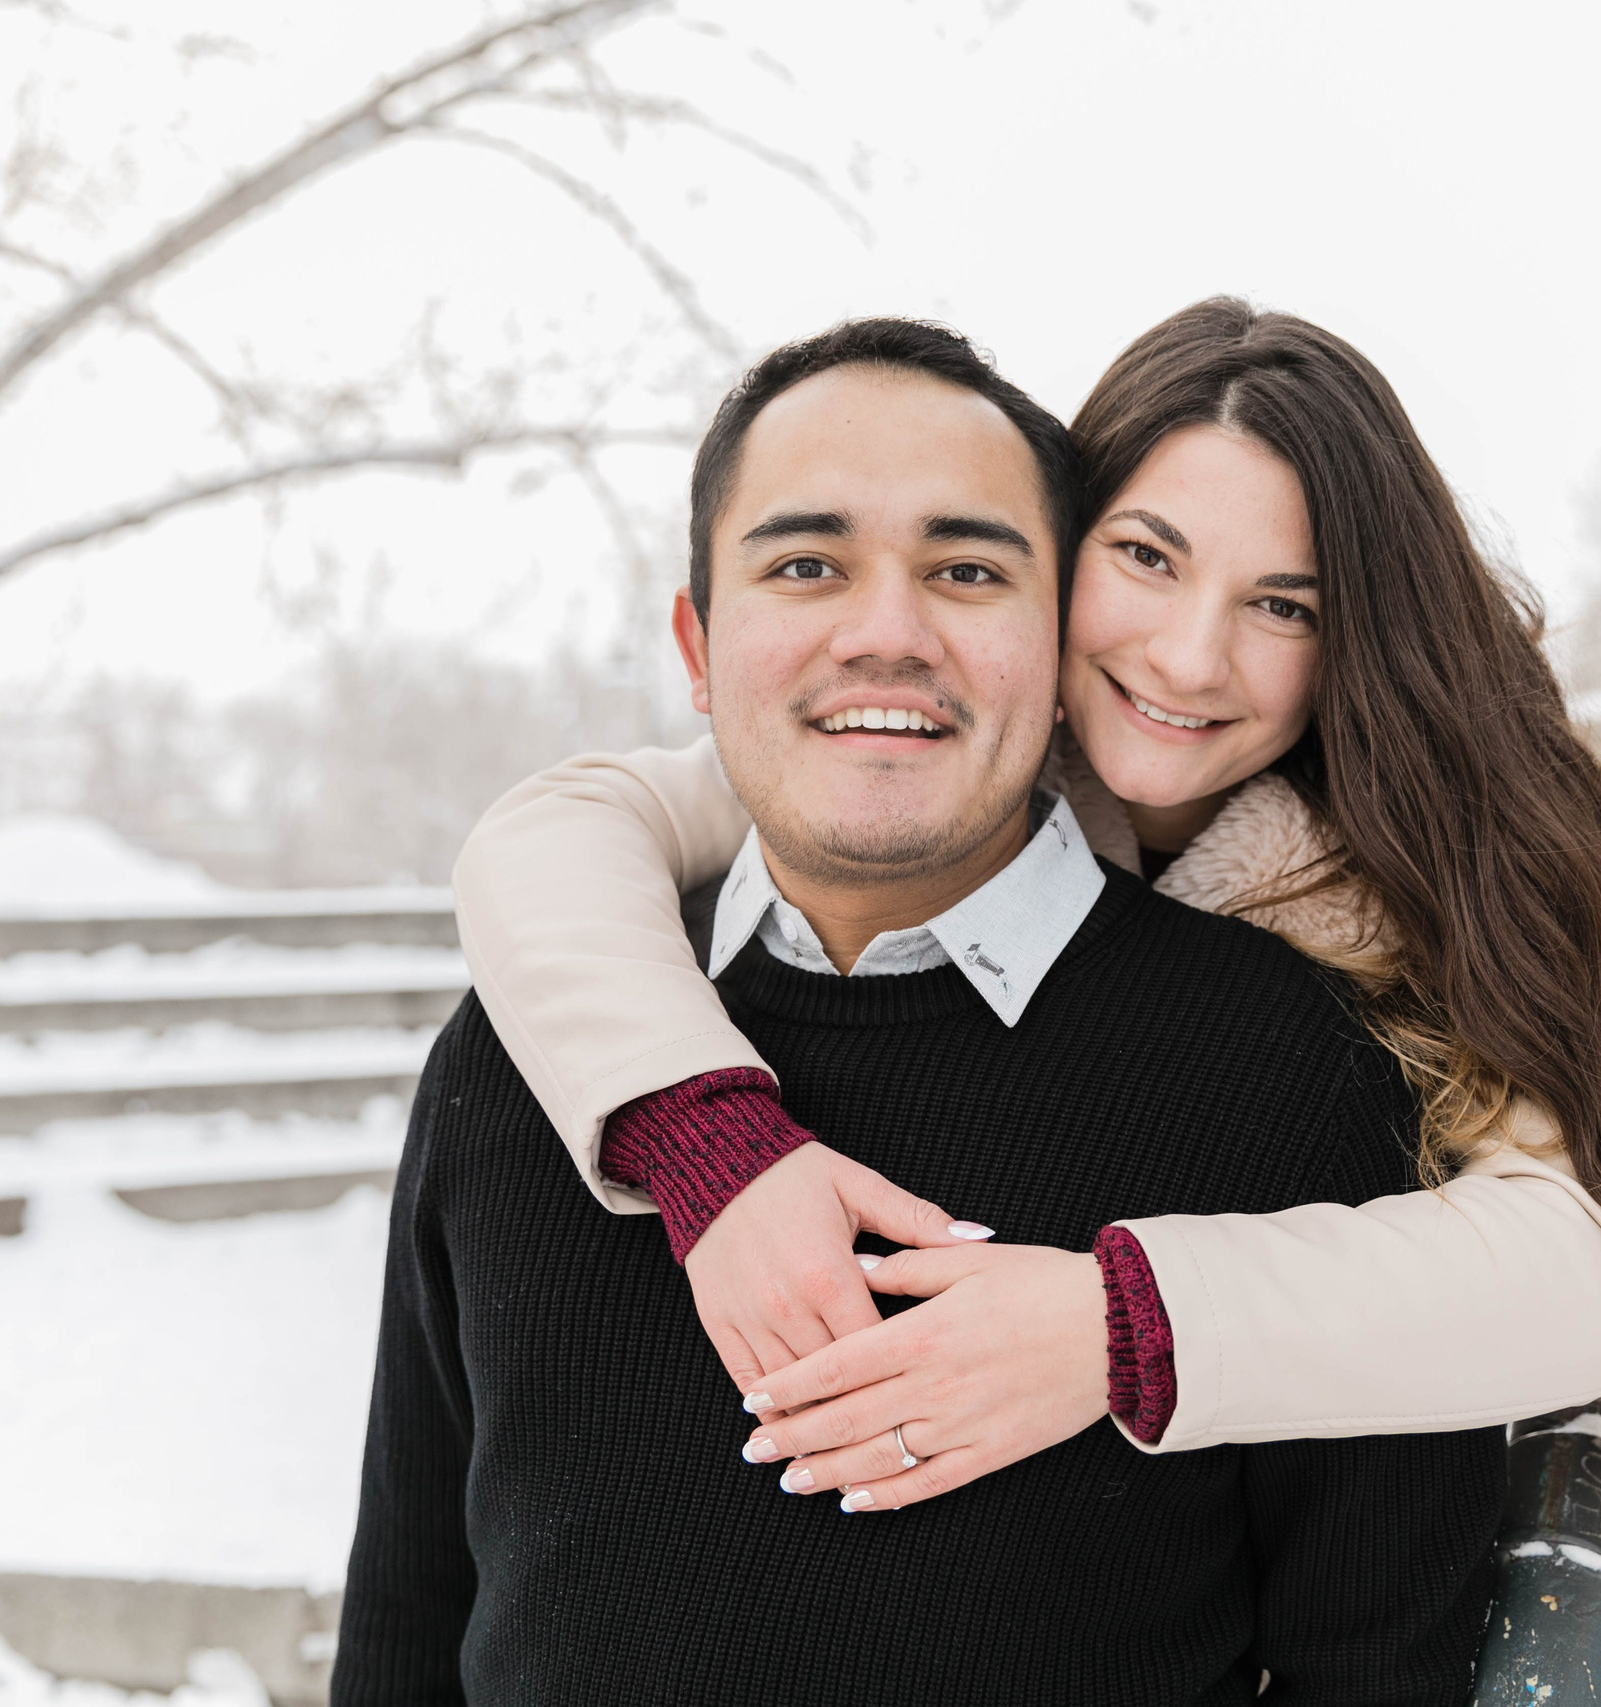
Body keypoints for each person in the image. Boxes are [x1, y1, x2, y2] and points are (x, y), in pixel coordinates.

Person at [454, 299, 1601, 1526]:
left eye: (1282, 605)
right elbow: (562, 834)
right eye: (1147, 558)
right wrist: (711, 1145)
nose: (1189, 656)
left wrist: (1119, 1327)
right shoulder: (957, 752)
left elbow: (1585, 1273)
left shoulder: (1417, 877)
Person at [335, 319, 1512, 1705]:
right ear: (698, 646)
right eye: (806, 566)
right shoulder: (522, 1058)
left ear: (1057, 630)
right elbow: (410, 1622)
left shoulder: (1306, 1078)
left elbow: (1380, 1672)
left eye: (965, 571)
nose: (887, 635)